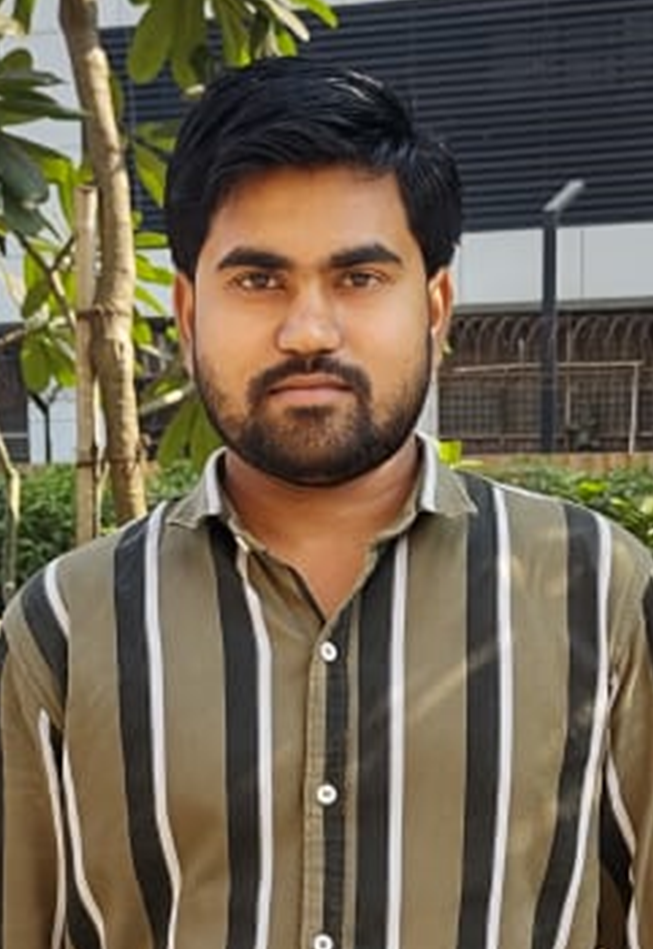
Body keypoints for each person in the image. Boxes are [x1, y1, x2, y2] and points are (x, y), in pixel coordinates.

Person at [0, 55, 651, 949]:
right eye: (258, 280)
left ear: (435, 306)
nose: (308, 329)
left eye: (358, 278)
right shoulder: (67, 629)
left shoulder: (596, 594)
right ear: (186, 313)